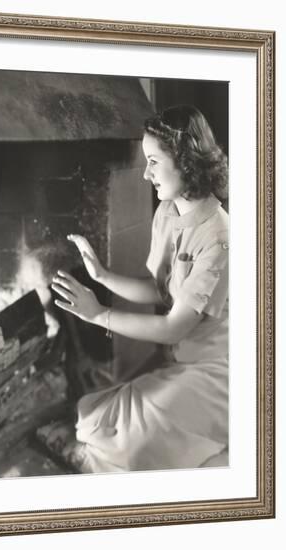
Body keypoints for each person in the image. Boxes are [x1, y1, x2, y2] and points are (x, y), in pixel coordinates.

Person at [49, 104, 229, 473]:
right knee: (90, 421)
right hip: (179, 362)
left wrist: (99, 314)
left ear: (186, 161)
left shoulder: (219, 237)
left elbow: (174, 326)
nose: (145, 174)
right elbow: (159, 290)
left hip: (216, 369)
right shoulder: (167, 212)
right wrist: (101, 275)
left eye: (153, 161)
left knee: (130, 451)